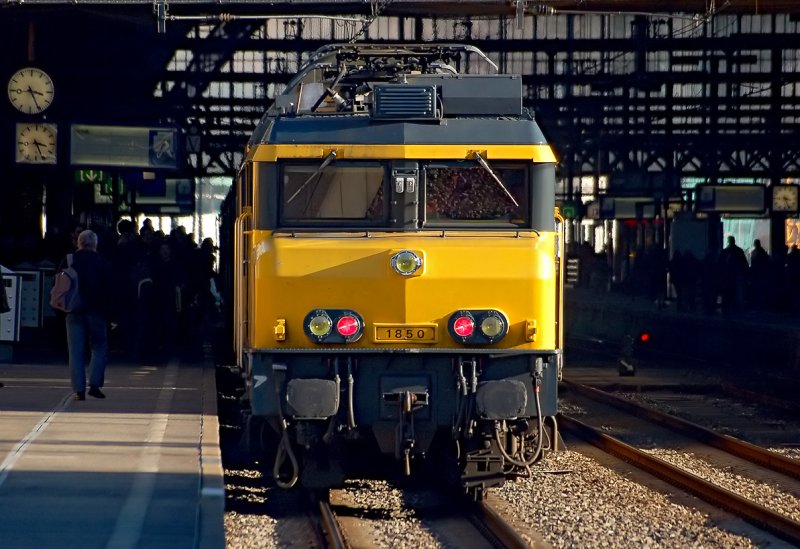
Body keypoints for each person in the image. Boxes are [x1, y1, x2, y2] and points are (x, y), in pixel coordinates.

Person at [60, 230, 113, 400]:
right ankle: (95, 385)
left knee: (76, 351)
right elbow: (111, 291)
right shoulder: (103, 263)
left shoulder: (69, 260)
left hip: (74, 311)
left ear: (79, 243)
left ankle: (79, 390)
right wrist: (112, 315)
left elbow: (58, 286)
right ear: (95, 244)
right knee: (99, 348)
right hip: (97, 312)